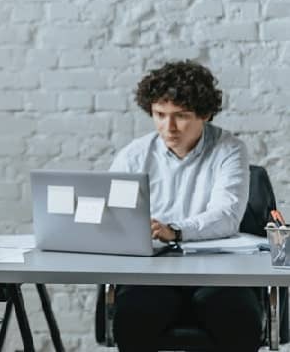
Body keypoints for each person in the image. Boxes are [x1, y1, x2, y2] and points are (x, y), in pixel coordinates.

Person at [110, 60, 261, 352]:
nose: (169, 127)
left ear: (204, 115)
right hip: (152, 273)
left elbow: (226, 216)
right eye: (159, 115)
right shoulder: (134, 155)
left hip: (218, 273)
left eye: (181, 116)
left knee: (238, 318)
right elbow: (114, 216)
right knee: (134, 317)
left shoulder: (228, 150)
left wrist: (175, 231)